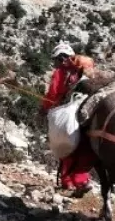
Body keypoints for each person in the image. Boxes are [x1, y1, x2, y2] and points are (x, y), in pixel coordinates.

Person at [41, 41, 97, 195]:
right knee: (84, 146)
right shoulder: (85, 70)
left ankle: (69, 182)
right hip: (89, 108)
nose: (56, 63)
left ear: (62, 58)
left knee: (65, 144)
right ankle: (82, 180)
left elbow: (53, 92)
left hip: (69, 110)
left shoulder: (61, 72)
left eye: (56, 60)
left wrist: (45, 107)